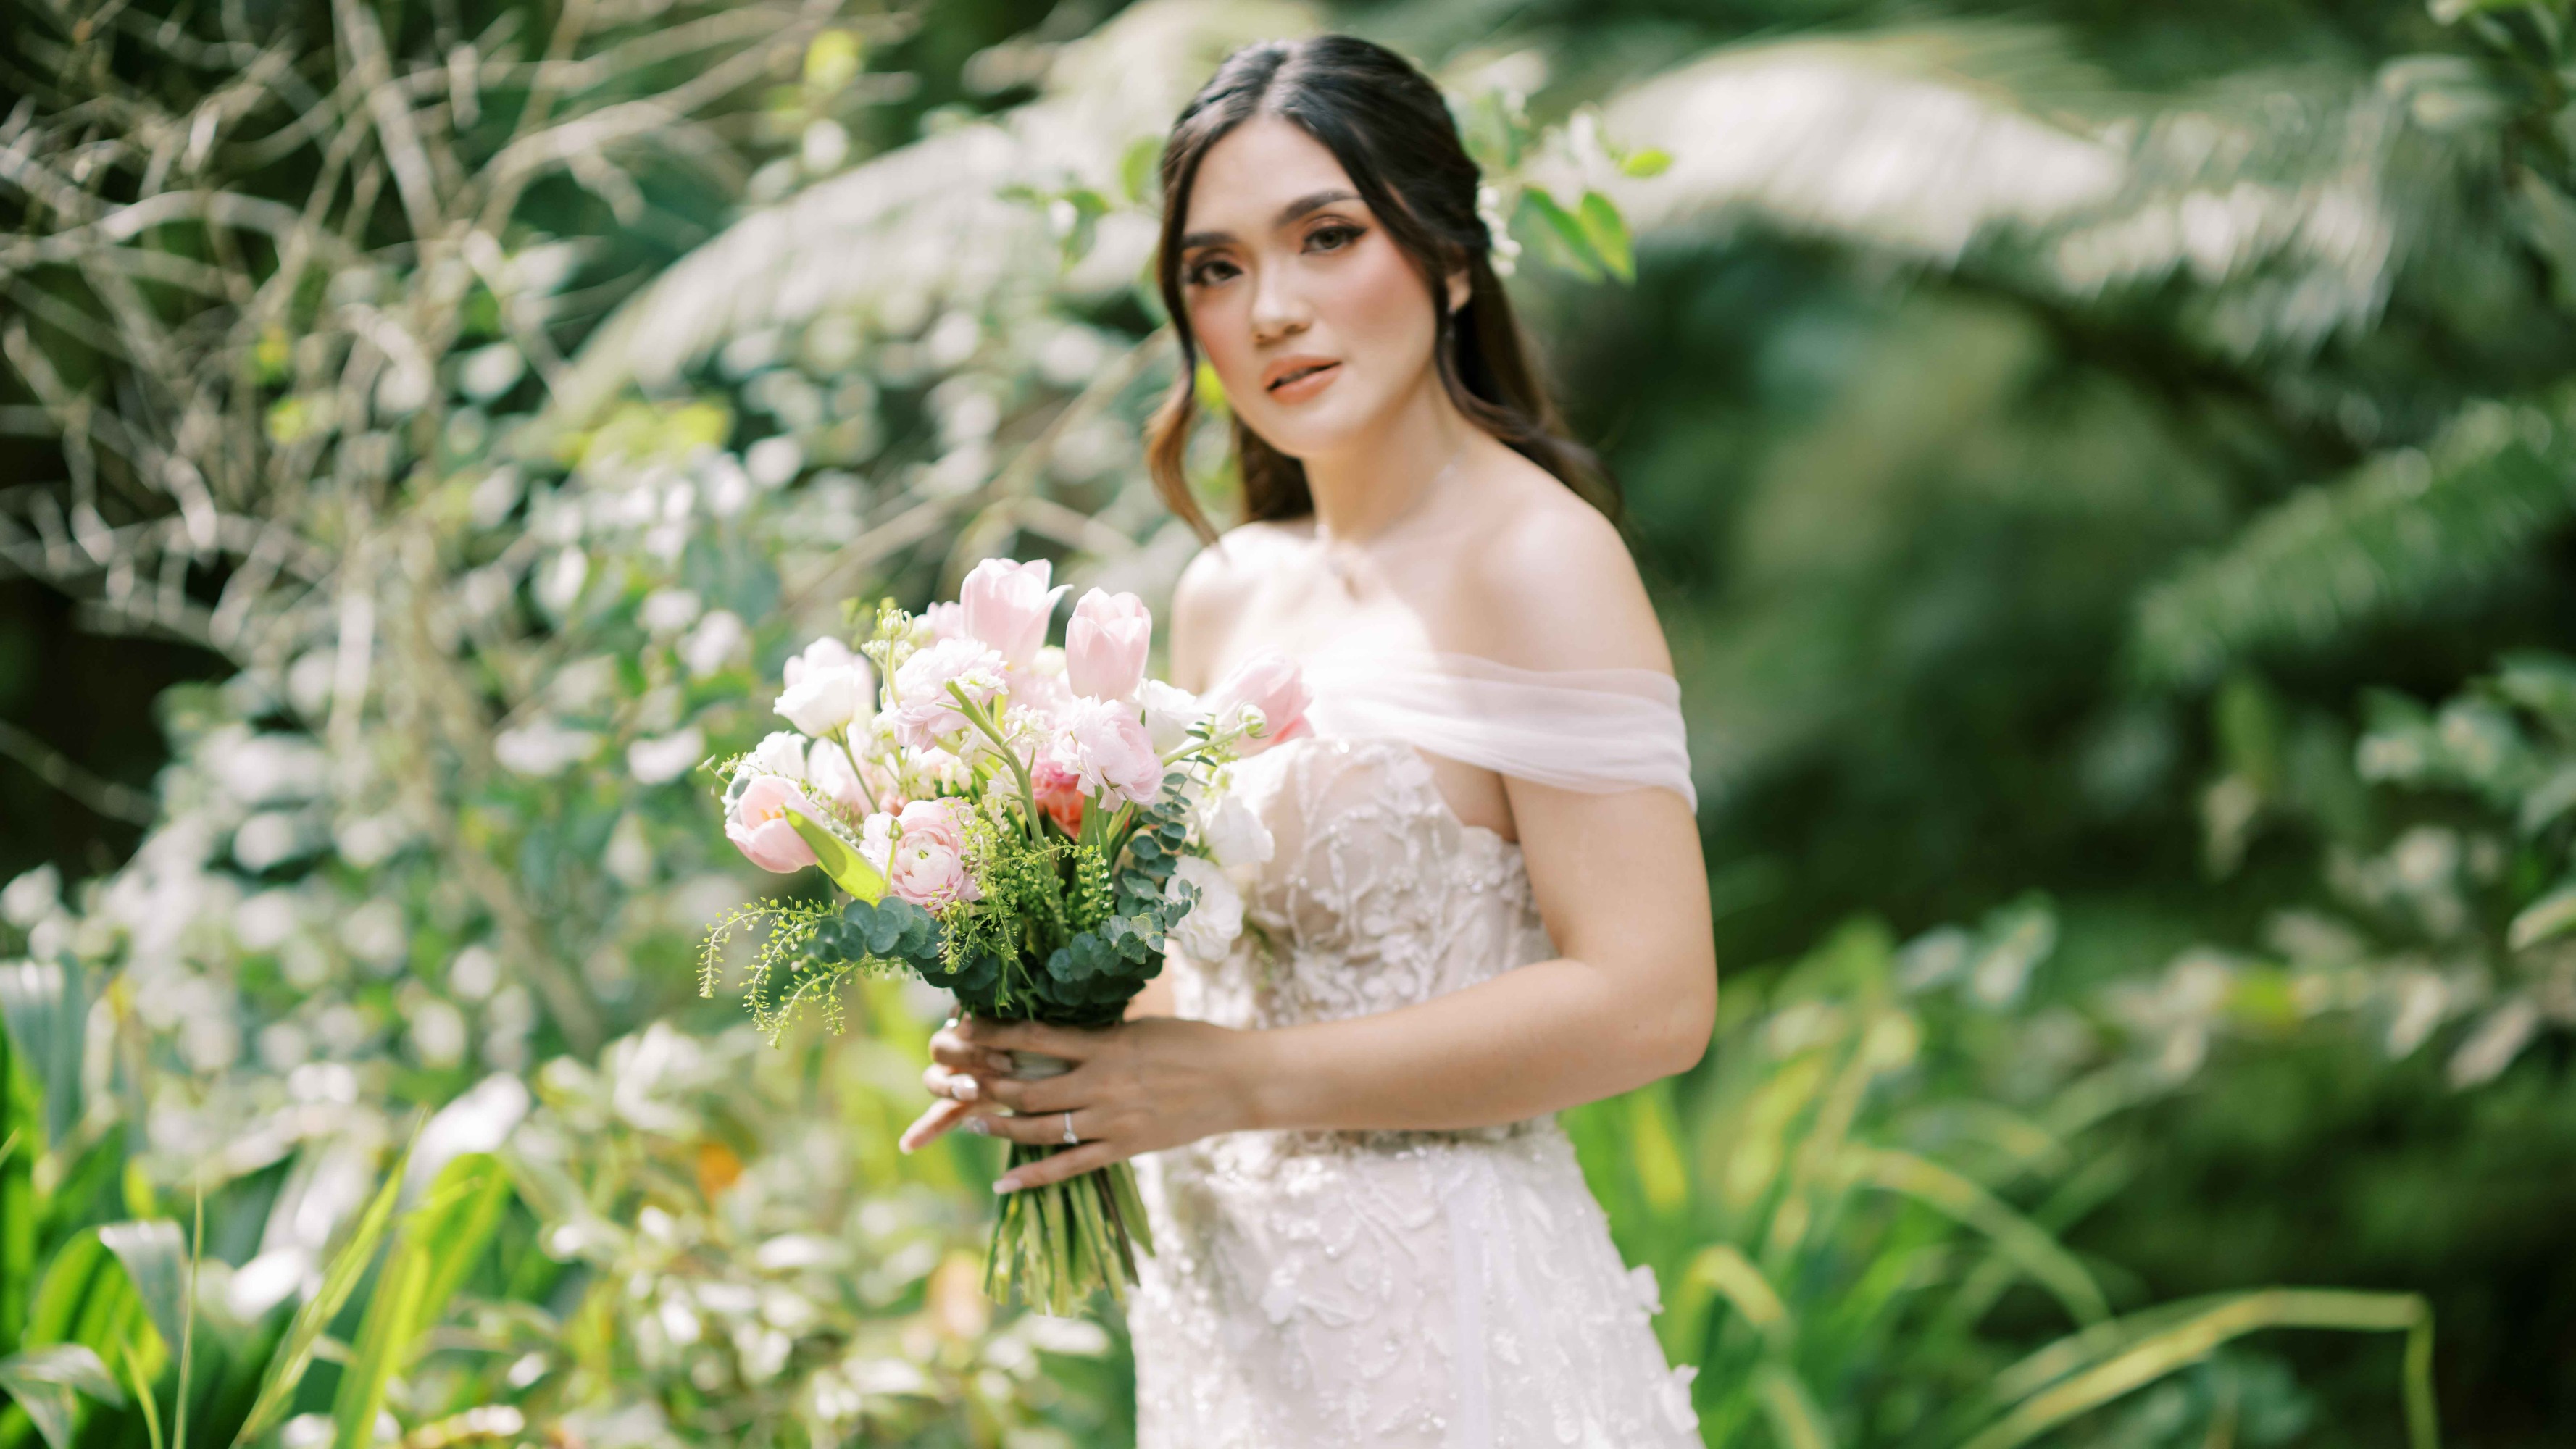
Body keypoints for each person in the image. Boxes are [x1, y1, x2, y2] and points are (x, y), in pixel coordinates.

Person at [896, 33, 1716, 1447]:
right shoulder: (1228, 593)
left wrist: (1233, 1081)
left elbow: (1650, 999)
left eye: (1323, 237)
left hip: (1451, 1329)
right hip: (1230, 1322)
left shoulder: (1539, 560)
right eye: (1214, 268)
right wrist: (1050, 1035)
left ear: (1448, 259)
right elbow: (1228, 983)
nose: (1269, 308)